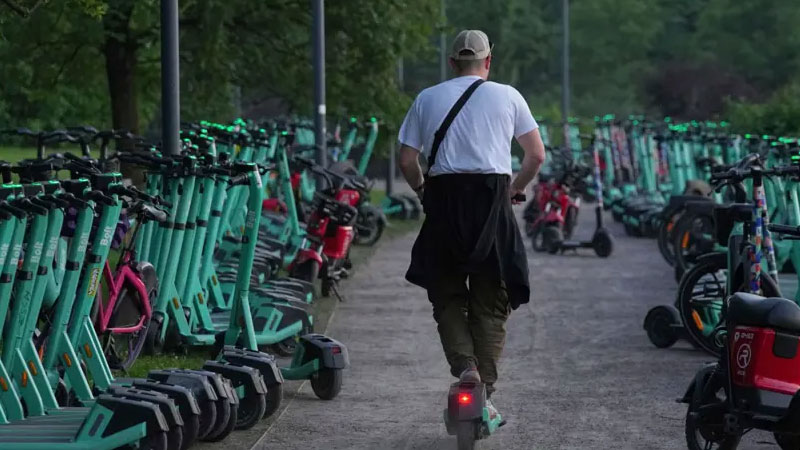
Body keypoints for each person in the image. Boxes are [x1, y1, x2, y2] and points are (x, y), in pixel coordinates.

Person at [397, 29, 546, 415]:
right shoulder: (508, 96)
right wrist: (515, 189)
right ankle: (486, 392)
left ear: (451, 63)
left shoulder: (427, 98)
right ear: (488, 62)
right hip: (491, 203)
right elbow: (535, 155)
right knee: (491, 299)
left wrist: (422, 191)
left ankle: (465, 367)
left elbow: (406, 161)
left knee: (446, 294)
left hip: (444, 202)